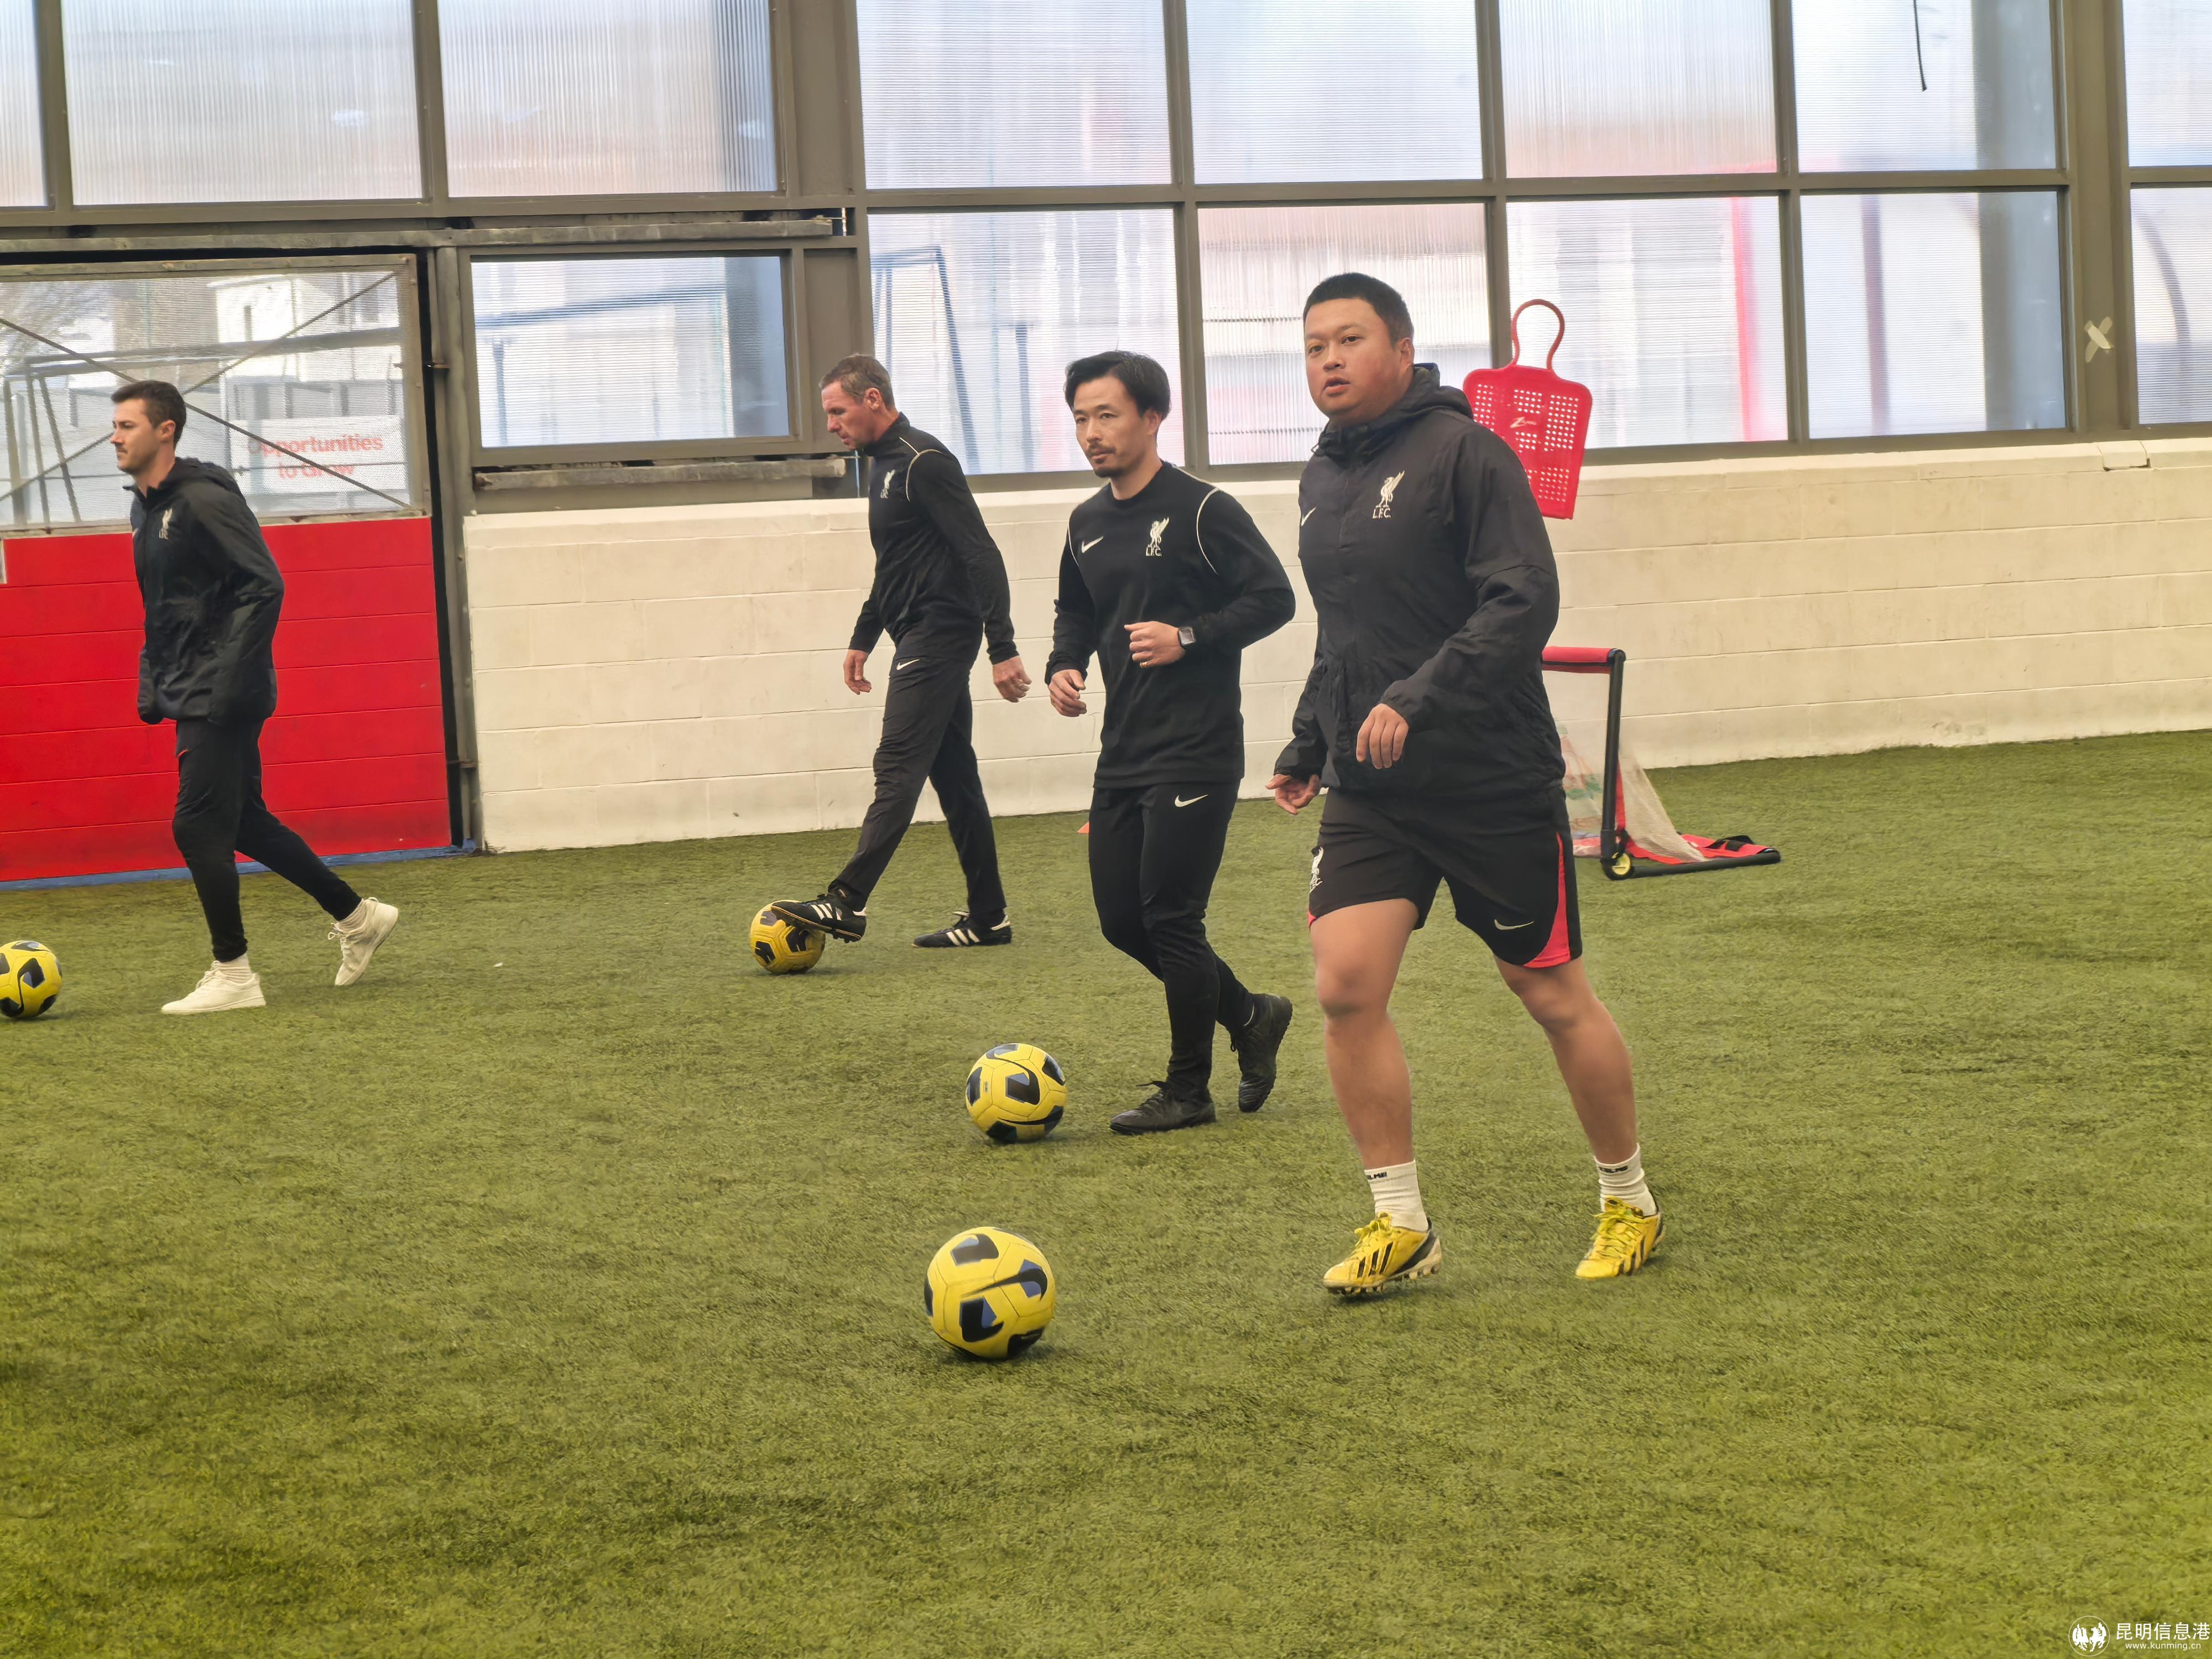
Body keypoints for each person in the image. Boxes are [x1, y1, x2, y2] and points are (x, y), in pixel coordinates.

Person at [1266, 275, 1662, 1294]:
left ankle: (1629, 1199)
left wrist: (1418, 697)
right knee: (1345, 987)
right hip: (1373, 786)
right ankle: (1400, 1222)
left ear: (1403, 350)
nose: (1329, 360)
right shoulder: (1322, 475)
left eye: (1349, 340)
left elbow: (1523, 599)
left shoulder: (1468, 454)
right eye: (1313, 346)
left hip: (1488, 778)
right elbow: (1346, 626)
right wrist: (1310, 740)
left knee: (1549, 991)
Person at [1046, 352, 1298, 1134]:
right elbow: (1075, 610)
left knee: (1171, 918)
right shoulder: (1086, 523)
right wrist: (1063, 664)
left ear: (1152, 419)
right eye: (1081, 418)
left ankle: (1189, 1089)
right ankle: (1251, 1013)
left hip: (1197, 748)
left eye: (1107, 415)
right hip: (1123, 750)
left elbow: (1275, 599)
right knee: (1122, 921)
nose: (1092, 433)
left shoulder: (1202, 510)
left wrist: (1188, 636)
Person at [114, 380, 399, 1015]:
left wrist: (225, 679)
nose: (115, 436)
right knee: (242, 820)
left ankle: (234, 974)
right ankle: (358, 917)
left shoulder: (203, 500)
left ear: (165, 430)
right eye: (116, 425)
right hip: (191, 685)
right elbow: (165, 606)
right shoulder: (146, 511)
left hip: (221, 689)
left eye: (128, 425)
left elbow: (264, 584)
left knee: (196, 824)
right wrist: (152, 676)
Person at [771, 356, 1030, 950]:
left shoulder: (924, 461)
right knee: (955, 778)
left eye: (837, 411)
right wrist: (864, 636)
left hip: (941, 633)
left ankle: (846, 901)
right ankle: (989, 918)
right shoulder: (881, 465)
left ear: (872, 400)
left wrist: (1003, 646)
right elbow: (894, 565)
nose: (831, 425)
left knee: (897, 762)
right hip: (914, 631)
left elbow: (981, 553)